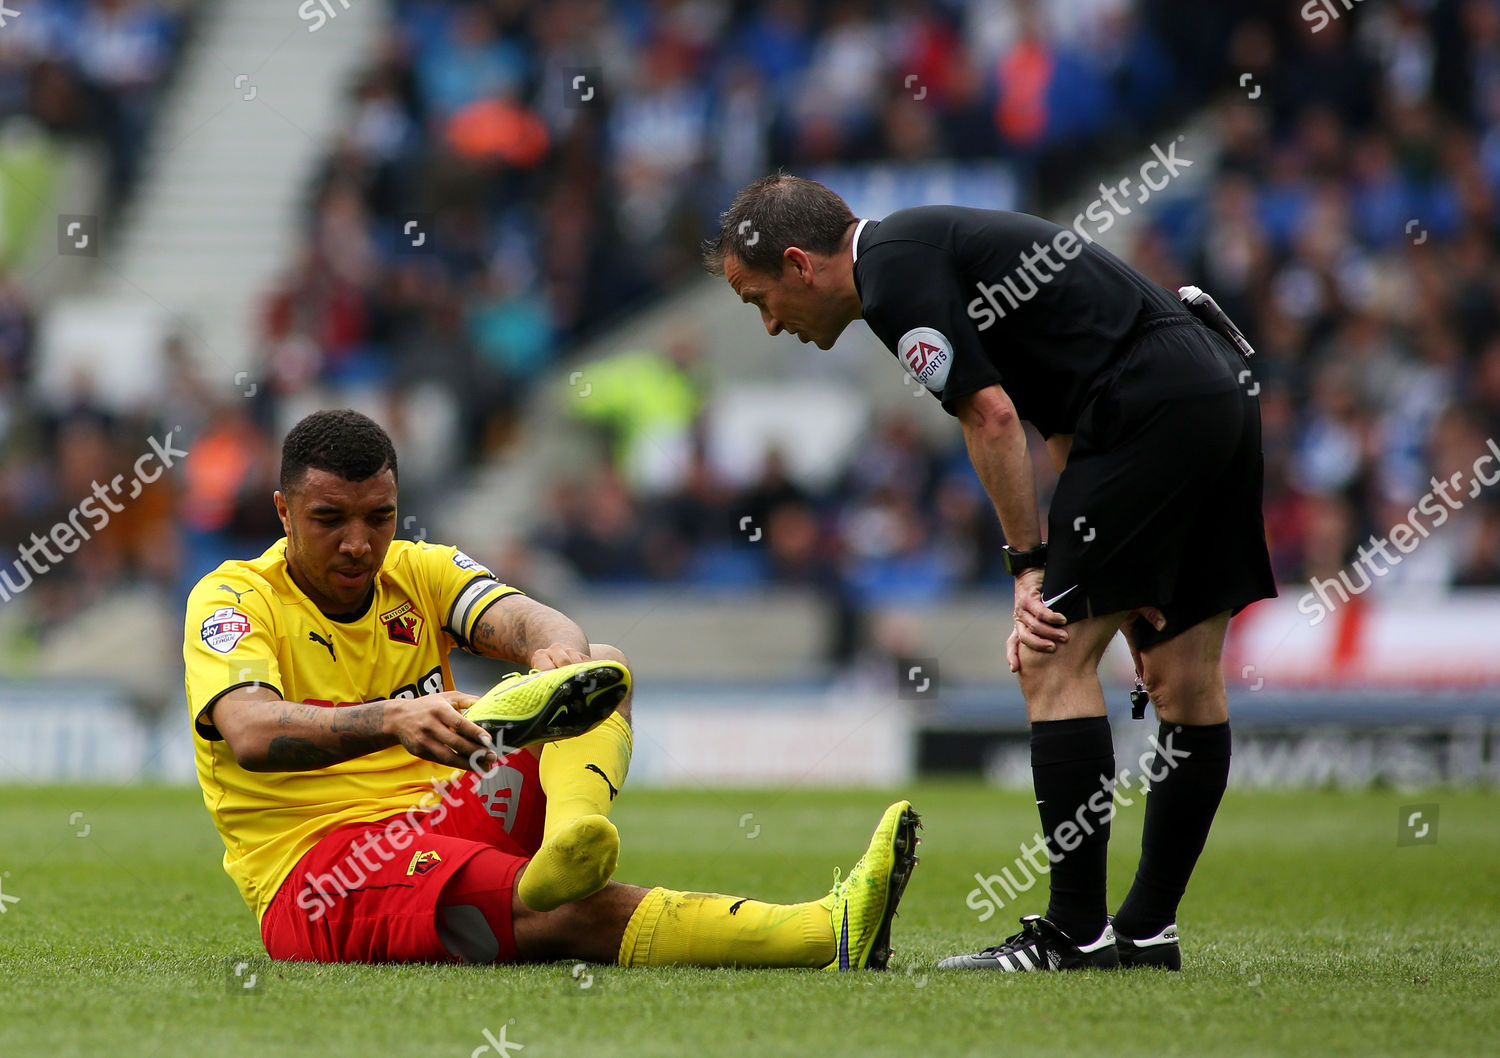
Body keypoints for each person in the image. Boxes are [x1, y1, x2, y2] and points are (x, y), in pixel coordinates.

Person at [705, 174, 1277, 972]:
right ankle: (1147, 932)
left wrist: (1029, 568)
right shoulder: (927, 248)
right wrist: (1125, 570)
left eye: (758, 298)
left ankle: (1074, 935)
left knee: (1049, 653)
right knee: (1186, 678)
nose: (768, 324)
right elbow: (1059, 416)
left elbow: (993, 416)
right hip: (1210, 389)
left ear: (800, 264)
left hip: (1148, 404)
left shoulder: (892, 277)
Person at [184, 408, 919, 969]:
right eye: (329, 520)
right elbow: (249, 733)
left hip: (439, 813)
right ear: (283, 513)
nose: (358, 543)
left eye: (378, 518)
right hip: (323, 874)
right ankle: (826, 933)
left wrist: (556, 657)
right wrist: (394, 719)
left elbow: (535, 620)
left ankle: (571, 831)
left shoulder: (417, 570)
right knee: (569, 913)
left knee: (602, 660)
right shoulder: (233, 601)